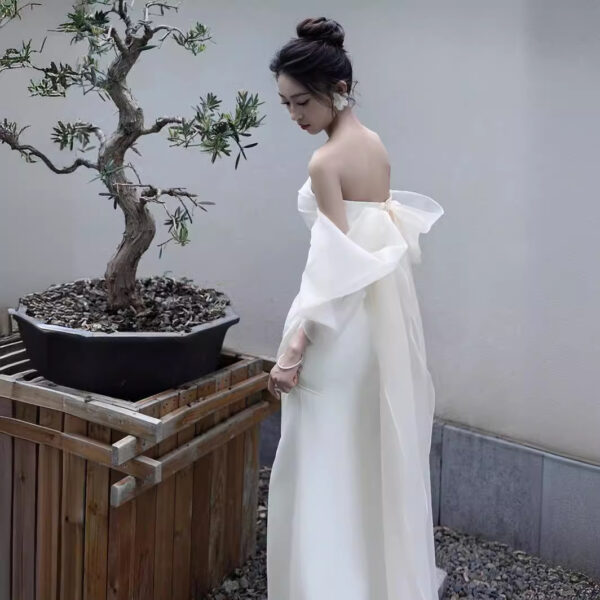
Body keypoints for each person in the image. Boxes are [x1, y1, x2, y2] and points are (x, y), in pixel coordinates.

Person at [266, 16, 447, 599]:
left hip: (337, 330)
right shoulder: (376, 146)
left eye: (302, 102)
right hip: (378, 327)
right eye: (287, 104)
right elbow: (365, 253)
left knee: (324, 456)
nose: (295, 116)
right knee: (364, 452)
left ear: (337, 90)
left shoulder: (325, 163)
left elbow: (333, 268)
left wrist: (293, 349)